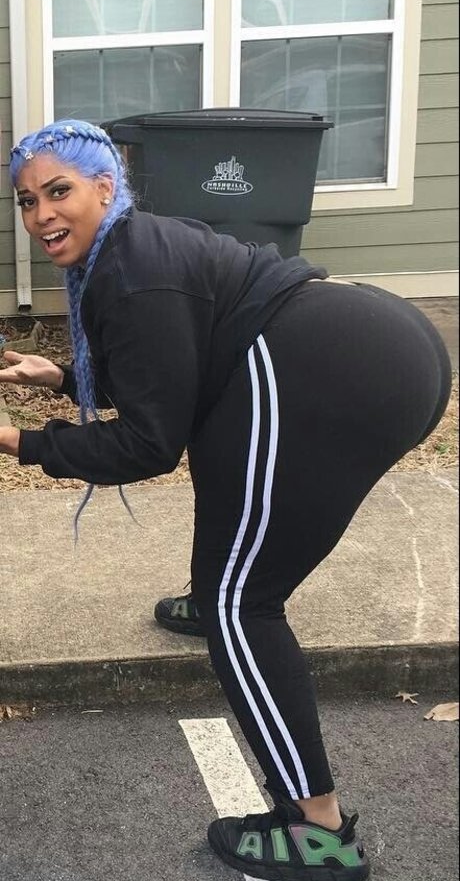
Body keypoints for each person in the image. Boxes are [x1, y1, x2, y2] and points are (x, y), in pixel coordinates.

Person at [0, 119, 452, 881]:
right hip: (364, 349)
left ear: (105, 188)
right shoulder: (129, 248)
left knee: (242, 603)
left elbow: (148, 444)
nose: (41, 214)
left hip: (327, 367)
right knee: (225, 487)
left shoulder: (131, 270)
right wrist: (65, 379)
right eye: (25, 201)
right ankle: (215, 599)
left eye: (57, 191)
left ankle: (318, 831)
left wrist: (22, 444)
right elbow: (167, 377)